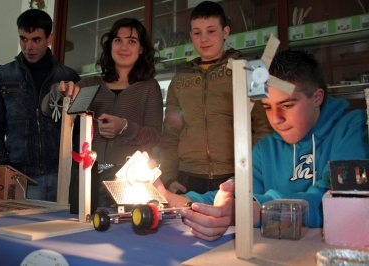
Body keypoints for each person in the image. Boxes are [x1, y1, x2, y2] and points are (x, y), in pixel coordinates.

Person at [154, 49, 369, 241]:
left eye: (287, 105)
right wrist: (178, 201)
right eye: (267, 107)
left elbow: (336, 200)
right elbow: (235, 193)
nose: (275, 119)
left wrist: (255, 211)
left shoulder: (354, 129)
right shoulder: (267, 147)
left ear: (317, 97)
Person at [42, 18, 163, 207]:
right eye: (118, 40)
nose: (123, 47)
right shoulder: (91, 84)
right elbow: (47, 111)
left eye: (131, 41)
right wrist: (57, 92)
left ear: (141, 49)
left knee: (121, 229)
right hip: (86, 172)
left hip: (129, 178)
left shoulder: (149, 87)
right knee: (79, 227)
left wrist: (125, 127)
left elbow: (155, 136)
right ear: (110, 45)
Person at [158, 1, 272, 195]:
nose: (204, 39)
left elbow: (264, 126)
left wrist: (253, 172)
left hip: (236, 173)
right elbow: (170, 134)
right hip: (188, 177)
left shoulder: (251, 69)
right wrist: (168, 177)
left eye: (211, 31)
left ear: (225, 31)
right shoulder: (179, 79)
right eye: (197, 33)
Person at [0, 9, 81, 202]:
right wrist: (3, 168)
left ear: (49, 38)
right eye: (23, 39)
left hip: (62, 174)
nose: (28, 46)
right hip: (21, 176)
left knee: (61, 231)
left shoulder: (69, 77)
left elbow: (79, 128)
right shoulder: (2, 76)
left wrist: (76, 168)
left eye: (36, 39)